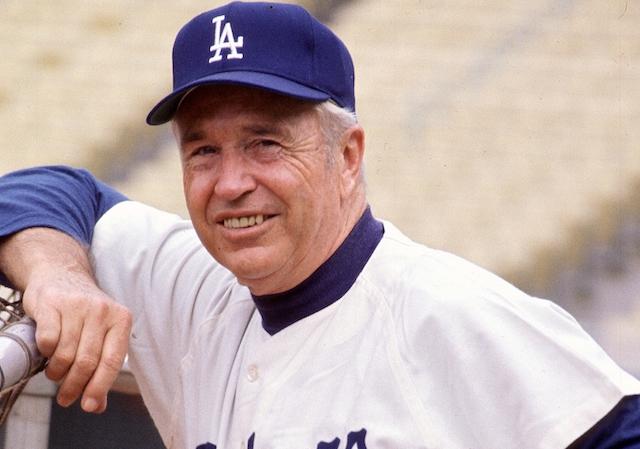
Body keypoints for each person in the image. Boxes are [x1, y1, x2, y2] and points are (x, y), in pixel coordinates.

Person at [0, 2, 639, 448]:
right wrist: (61, 278)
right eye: (202, 150)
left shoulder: (448, 313)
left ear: (348, 156)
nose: (230, 183)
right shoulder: (194, 291)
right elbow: (46, 191)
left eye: (265, 144)